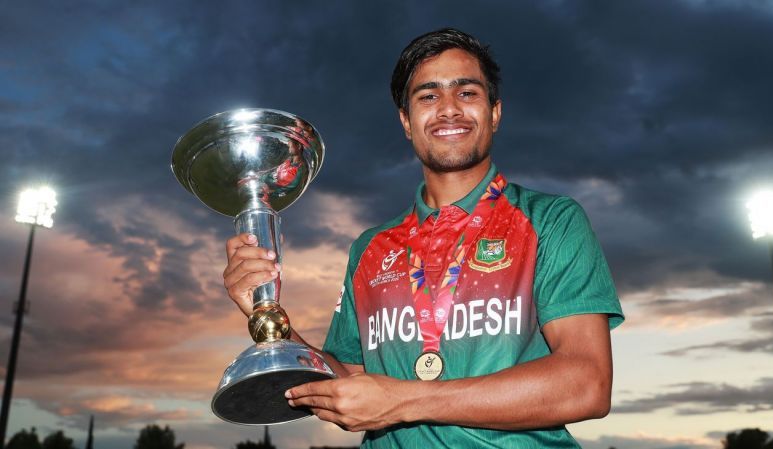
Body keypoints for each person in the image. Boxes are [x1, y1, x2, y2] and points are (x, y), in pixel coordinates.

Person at [223, 28, 624, 448]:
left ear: (495, 113)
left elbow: (587, 383)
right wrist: (266, 312)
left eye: (467, 93)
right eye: (428, 96)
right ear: (406, 122)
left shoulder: (551, 221)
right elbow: (351, 383)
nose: (449, 110)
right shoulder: (370, 248)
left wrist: (406, 400)